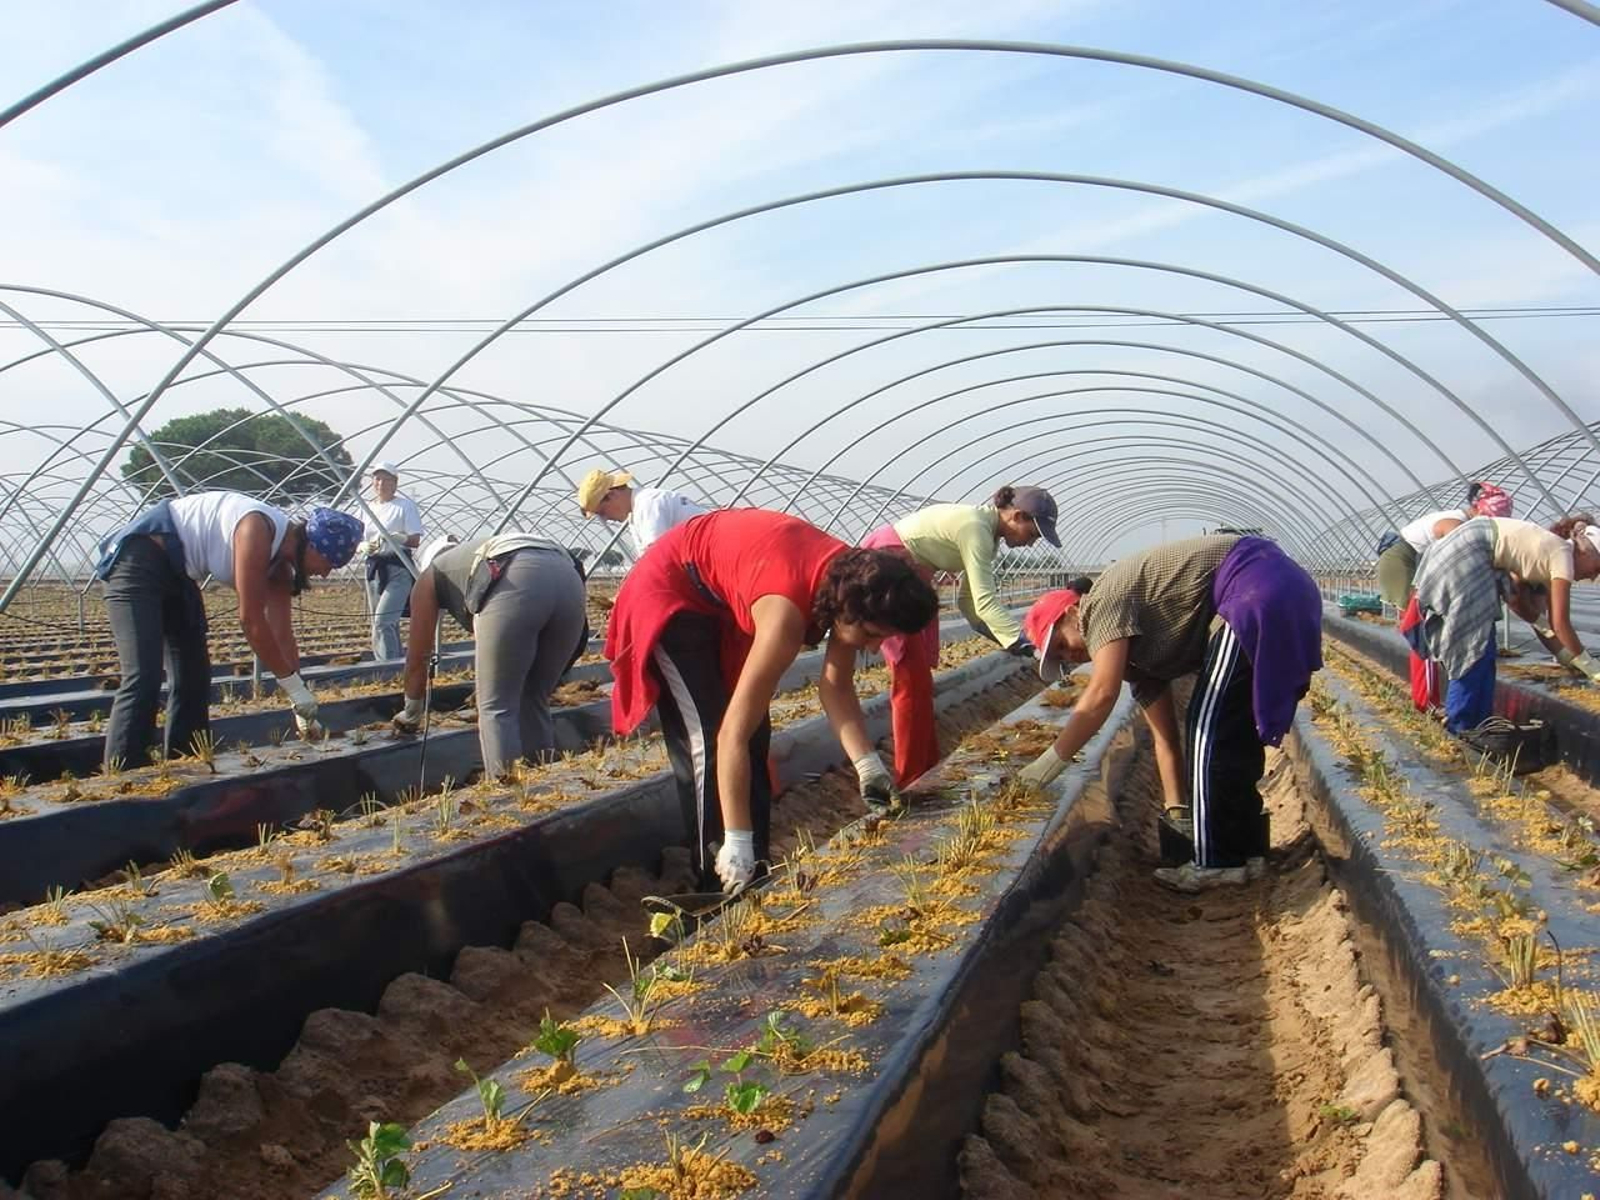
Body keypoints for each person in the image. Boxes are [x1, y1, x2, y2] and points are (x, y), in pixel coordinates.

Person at [605, 509, 940, 893]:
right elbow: (730, 735)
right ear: (850, 612)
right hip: (669, 591)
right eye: (870, 635)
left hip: (720, 602)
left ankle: (752, 867)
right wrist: (736, 840)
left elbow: (836, 686)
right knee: (710, 735)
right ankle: (717, 878)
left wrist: (868, 766)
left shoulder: (853, 583)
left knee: (757, 732)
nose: (875, 647)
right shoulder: (788, 614)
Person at [1016, 534, 1323, 893]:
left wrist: (1048, 764)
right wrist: (1177, 809)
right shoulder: (1140, 665)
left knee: (1207, 731)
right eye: (1062, 659)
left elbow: (1101, 694)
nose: (1070, 657)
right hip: (1284, 588)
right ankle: (1245, 849)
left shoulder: (1098, 605)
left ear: (1072, 613)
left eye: (1063, 645)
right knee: (1232, 730)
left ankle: (1218, 860)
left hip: (1256, 587)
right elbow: (1165, 740)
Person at [93, 491, 363, 770]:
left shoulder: (281, 568)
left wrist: (300, 702)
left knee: (193, 677)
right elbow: (251, 620)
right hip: (138, 559)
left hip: (179, 574)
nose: (327, 573)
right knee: (143, 676)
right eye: (331, 563)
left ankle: (183, 765)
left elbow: (283, 636)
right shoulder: (256, 529)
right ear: (314, 546)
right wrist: (293, 687)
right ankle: (121, 773)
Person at [858, 485, 1061, 788]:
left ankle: (927, 771)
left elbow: (968, 603)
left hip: (913, 576)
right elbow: (984, 600)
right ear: (1017, 516)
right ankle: (910, 779)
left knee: (921, 680)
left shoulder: (988, 538)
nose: (1030, 544)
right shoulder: (975, 528)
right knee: (909, 680)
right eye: (1032, 534)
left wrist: (995, 636)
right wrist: (1023, 643)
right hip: (889, 569)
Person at [392, 533, 588, 778]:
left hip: (517, 578)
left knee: (497, 705)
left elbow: (418, 656)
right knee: (533, 696)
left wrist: (410, 713)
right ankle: (543, 785)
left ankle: (505, 797)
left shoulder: (431, 575)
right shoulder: (476, 552)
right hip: (569, 578)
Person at [1405, 513, 1600, 734]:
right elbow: (1561, 622)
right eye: (1597, 567)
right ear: (1586, 551)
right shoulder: (1563, 554)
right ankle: (1459, 728)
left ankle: (1479, 727)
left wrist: (1567, 657)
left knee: (1484, 649)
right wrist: (1591, 667)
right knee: (1471, 650)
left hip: (1469, 552)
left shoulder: (1546, 553)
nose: (1593, 576)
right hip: (1469, 555)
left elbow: (1524, 607)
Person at [1374, 482, 1513, 713]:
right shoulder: (1456, 522)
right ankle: (1426, 701)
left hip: (1411, 563)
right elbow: (1453, 554)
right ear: (1477, 510)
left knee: (1424, 630)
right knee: (1422, 632)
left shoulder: (1464, 522)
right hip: (1402, 562)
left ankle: (1427, 699)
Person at [361, 461, 425, 661]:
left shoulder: (404, 506)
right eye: (377, 478)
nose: (381, 483)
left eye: (386, 479)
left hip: (398, 568)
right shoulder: (366, 507)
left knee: (383, 621)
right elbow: (356, 537)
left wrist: (399, 538)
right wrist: (361, 546)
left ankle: (387, 666)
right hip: (374, 567)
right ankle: (394, 664)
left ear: (395, 482)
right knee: (382, 622)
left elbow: (415, 539)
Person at [576, 468, 706, 557]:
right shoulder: (635, 513)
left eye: (602, 512)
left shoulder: (648, 504)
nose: (606, 519)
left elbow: (656, 557)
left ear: (612, 495)